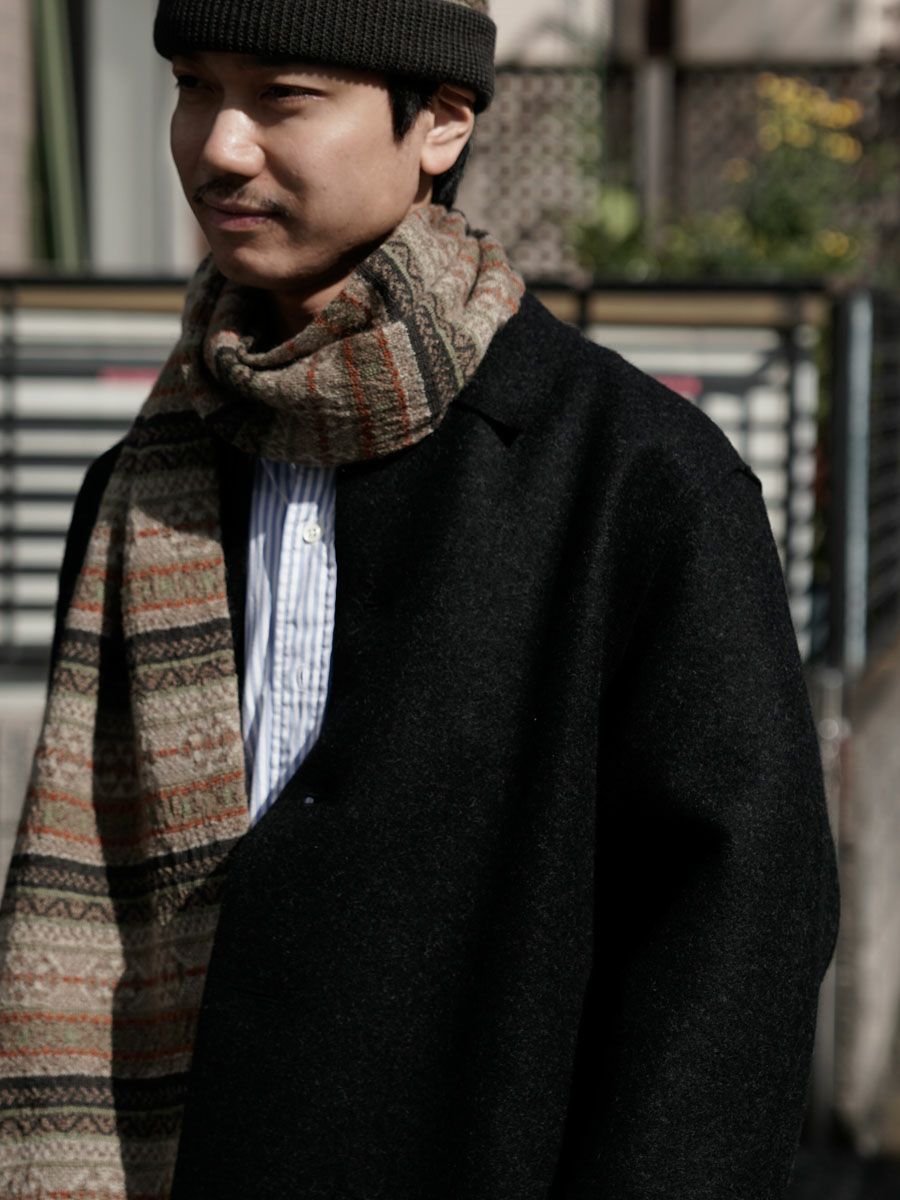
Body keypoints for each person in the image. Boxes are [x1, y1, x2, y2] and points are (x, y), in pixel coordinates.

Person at [0, 1, 839, 1197]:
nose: (219, 143)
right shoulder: (140, 490)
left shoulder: (634, 482)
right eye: (193, 84)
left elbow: (736, 946)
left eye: (282, 97)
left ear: (440, 123)